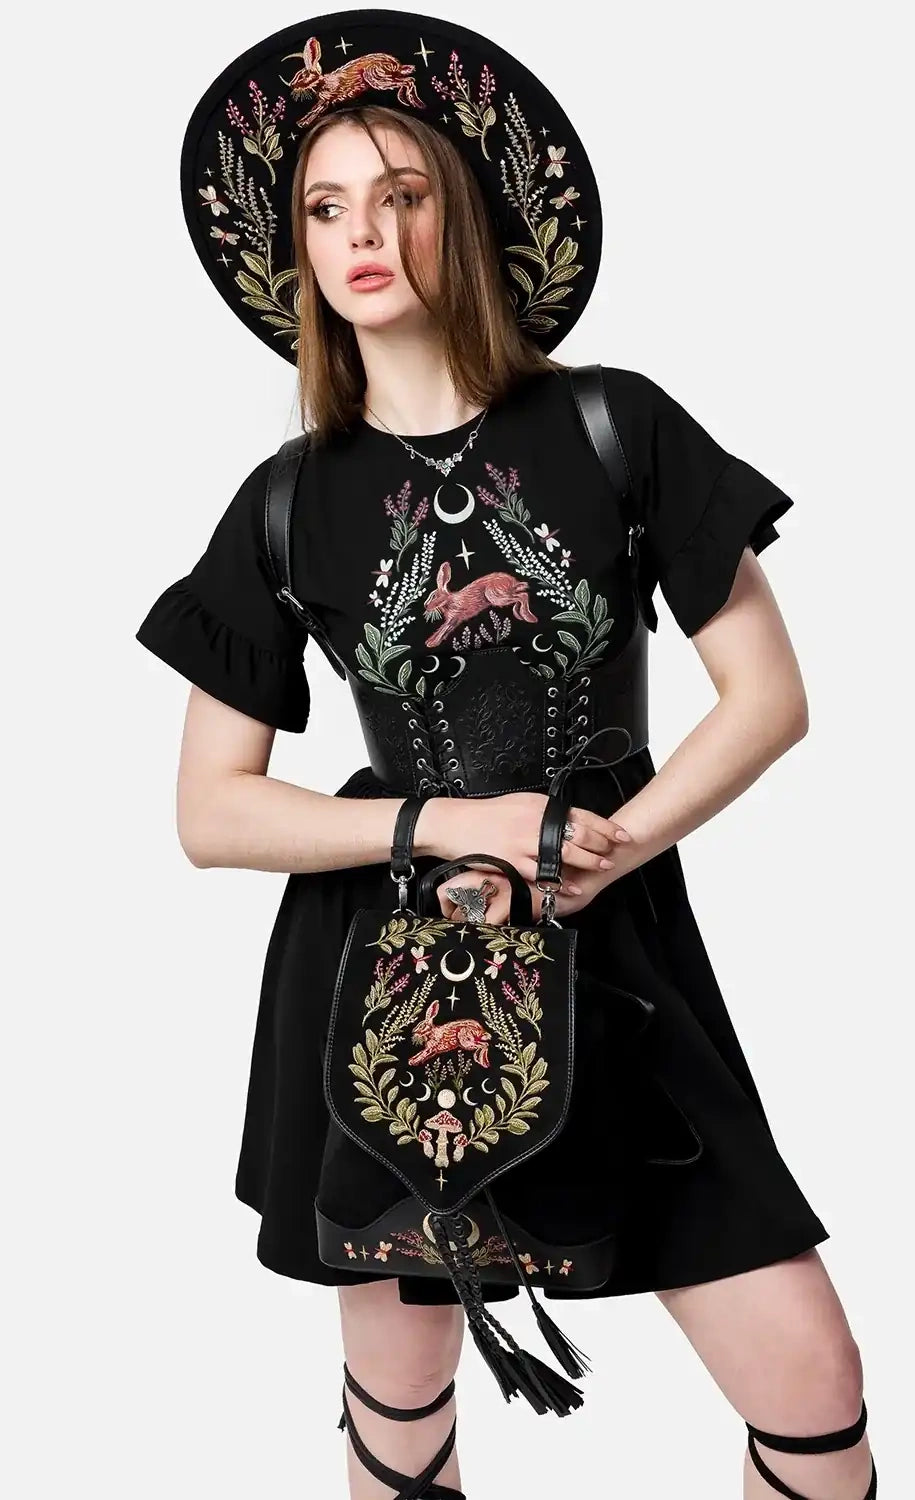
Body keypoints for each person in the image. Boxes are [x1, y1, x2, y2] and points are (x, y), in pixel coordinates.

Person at [136, 12, 877, 1499]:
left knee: (813, 1388)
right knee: (399, 1416)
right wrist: (445, 823)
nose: (363, 234)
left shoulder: (612, 424)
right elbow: (211, 812)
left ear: (462, 214)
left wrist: (613, 846)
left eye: (400, 193)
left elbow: (767, 697)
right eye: (326, 207)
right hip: (386, 979)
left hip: (614, 941)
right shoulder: (285, 502)